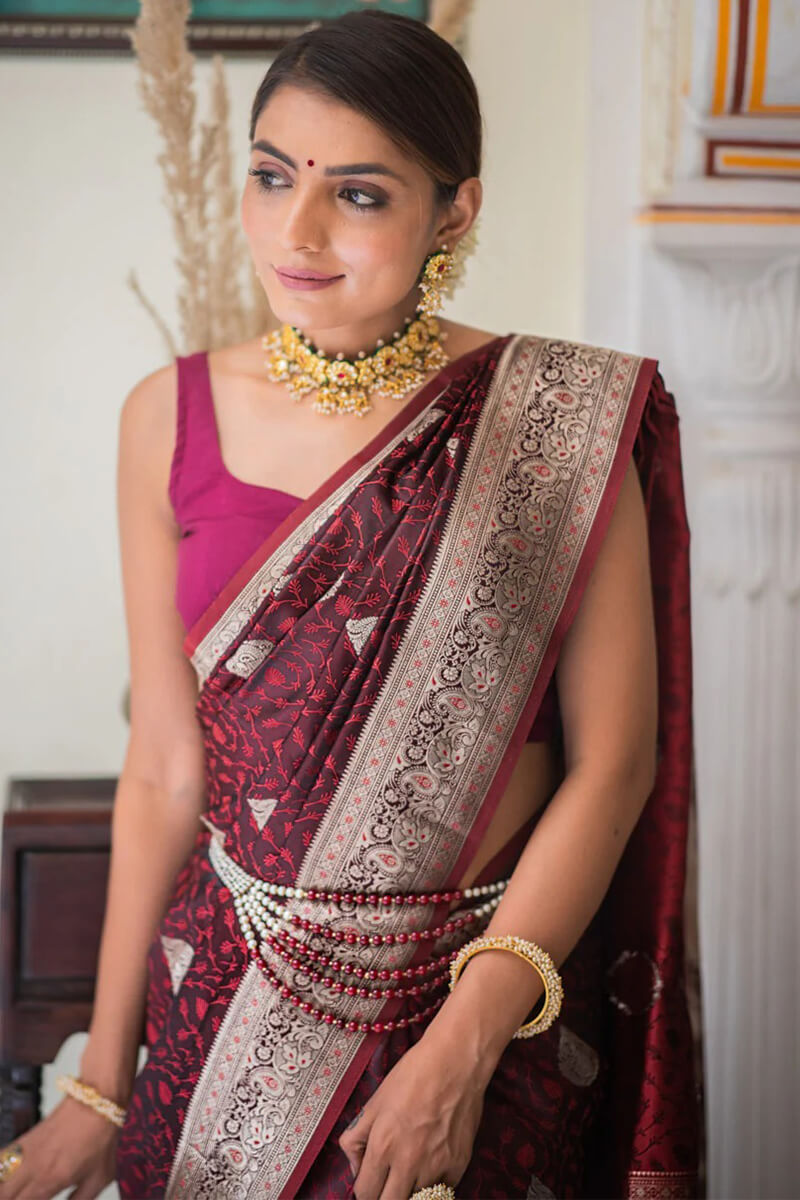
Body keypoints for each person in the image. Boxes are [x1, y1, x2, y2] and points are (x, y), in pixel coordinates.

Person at [0, 9, 703, 1199]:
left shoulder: (555, 421)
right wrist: (96, 1087)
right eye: (271, 176)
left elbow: (611, 766)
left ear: (455, 211)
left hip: (480, 1003)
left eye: (359, 195)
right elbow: (168, 768)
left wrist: (462, 1050)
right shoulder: (163, 417)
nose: (297, 230)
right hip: (220, 1005)